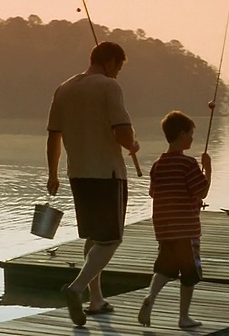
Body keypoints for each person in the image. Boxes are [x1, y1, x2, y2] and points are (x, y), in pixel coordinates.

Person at [45, 41, 140, 327]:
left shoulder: (64, 88)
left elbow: (53, 136)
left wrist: (53, 174)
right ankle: (75, 289)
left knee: (94, 237)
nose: (118, 74)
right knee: (111, 239)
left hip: (78, 174)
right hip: (107, 173)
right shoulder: (109, 87)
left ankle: (96, 300)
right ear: (110, 61)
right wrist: (133, 144)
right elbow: (122, 131)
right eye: (119, 67)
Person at [138, 110, 212, 329]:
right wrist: (208, 169)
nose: (191, 138)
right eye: (190, 134)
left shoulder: (158, 164)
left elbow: (154, 193)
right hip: (186, 230)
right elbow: (203, 191)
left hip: (164, 229)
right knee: (189, 273)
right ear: (181, 134)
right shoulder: (188, 164)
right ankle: (184, 317)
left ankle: (151, 297)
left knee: (165, 268)